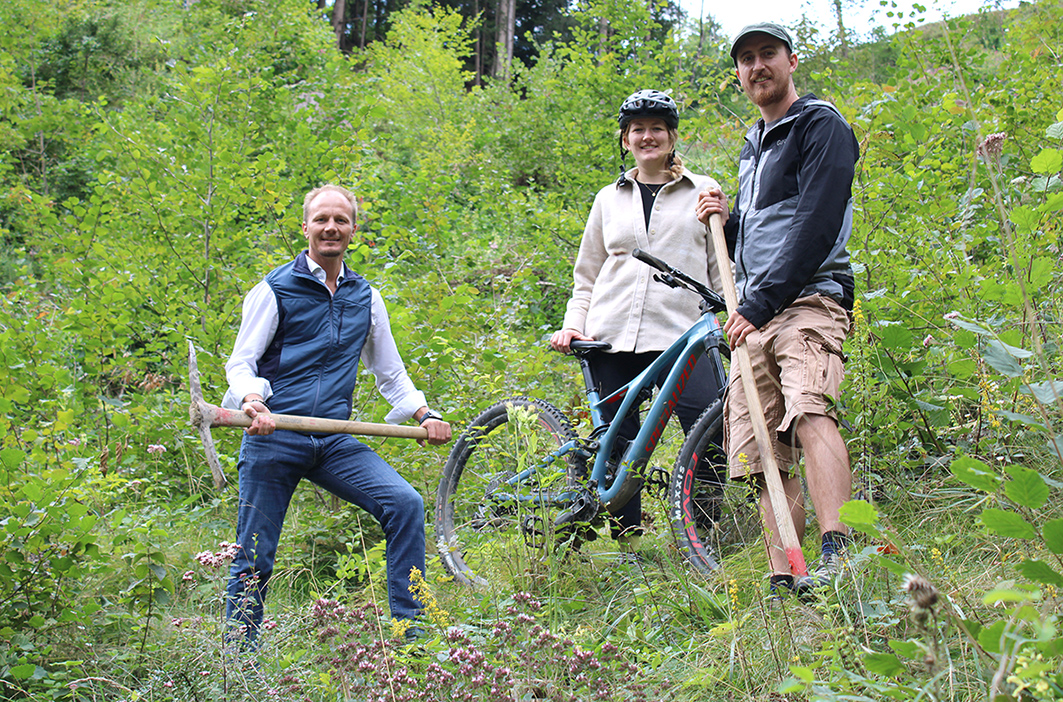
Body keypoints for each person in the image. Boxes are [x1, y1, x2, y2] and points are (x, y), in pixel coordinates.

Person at [221, 184, 452, 644]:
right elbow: (241, 362)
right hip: (275, 434)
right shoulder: (273, 290)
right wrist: (252, 401)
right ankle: (239, 662)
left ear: (353, 230)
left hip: (331, 439)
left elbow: (390, 372)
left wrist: (425, 413)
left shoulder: (365, 297)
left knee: (404, 503)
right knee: (255, 554)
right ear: (305, 227)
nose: (331, 228)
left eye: (341, 220)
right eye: (322, 219)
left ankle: (413, 636)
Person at [696, 22, 859, 596]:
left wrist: (761, 303)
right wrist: (730, 217)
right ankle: (787, 570)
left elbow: (815, 224)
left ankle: (840, 549)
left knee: (809, 408)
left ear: (791, 61)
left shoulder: (820, 126)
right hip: (757, 314)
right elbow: (766, 232)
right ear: (738, 74)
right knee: (760, 445)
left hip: (808, 300)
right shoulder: (754, 146)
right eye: (746, 59)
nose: (757, 66)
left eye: (768, 54)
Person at [551, 89, 725, 547]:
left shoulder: (704, 190)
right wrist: (574, 322)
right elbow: (587, 272)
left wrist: (734, 317)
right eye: (638, 130)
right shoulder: (608, 198)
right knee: (619, 444)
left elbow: (722, 265)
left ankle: (707, 537)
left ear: (671, 137)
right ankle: (628, 546)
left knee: (713, 427)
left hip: (683, 332)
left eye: (657, 129)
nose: (647, 137)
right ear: (625, 139)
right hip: (611, 335)